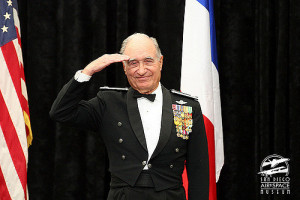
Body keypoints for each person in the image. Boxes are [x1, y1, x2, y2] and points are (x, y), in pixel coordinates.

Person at [50, 33, 209, 200]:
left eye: (148, 61)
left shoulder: (187, 107)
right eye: (133, 63)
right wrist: (88, 71)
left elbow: (199, 169)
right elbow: (61, 112)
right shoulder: (109, 102)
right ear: (124, 67)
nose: (141, 70)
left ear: (160, 62)